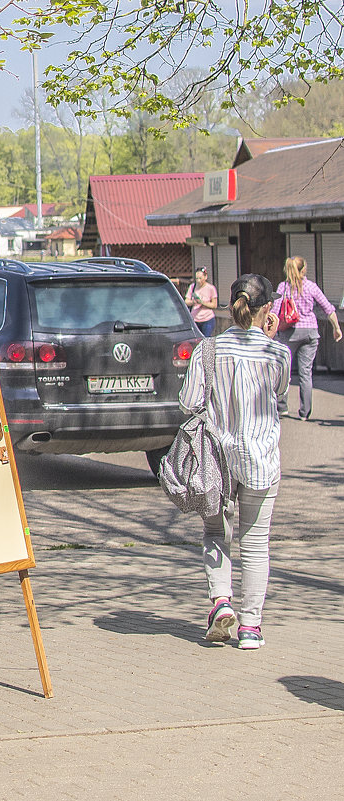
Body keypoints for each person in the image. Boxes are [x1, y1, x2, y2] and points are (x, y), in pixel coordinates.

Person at [180, 274, 289, 650]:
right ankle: (251, 628)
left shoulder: (208, 350)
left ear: (230, 307)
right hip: (261, 458)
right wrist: (269, 340)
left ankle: (221, 601)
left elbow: (189, 402)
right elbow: (281, 395)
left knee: (216, 533)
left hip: (216, 462)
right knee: (256, 543)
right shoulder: (278, 354)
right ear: (267, 309)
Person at [274, 256, 343, 420]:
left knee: (284, 370)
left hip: (289, 333)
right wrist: (336, 328)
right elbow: (328, 308)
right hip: (310, 332)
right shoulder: (311, 287)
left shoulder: (283, 287)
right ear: (303, 269)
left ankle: (282, 406)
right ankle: (305, 412)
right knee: (306, 373)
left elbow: (274, 312)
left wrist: (269, 332)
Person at [184, 267, 218, 337]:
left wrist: (202, 303)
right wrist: (193, 302)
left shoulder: (211, 288)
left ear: (205, 277)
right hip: (195, 319)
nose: (198, 281)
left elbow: (214, 305)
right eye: (197, 278)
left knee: (206, 339)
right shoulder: (192, 287)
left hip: (207, 319)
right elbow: (186, 301)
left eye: (200, 278)